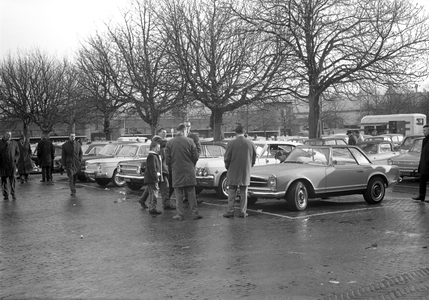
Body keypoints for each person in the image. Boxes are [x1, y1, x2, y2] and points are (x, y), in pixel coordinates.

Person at [165, 123, 201, 220]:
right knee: (191, 194)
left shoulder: (170, 143)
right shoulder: (190, 141)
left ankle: (180, 214)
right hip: (189, 170)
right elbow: (195, 156)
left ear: (177, 130)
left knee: (179, 194)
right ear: (184, 130)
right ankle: (195, 213)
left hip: (177, 171)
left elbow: (167, 159)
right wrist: (191, 164)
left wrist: (172, 167)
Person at [223, 125, 256, 218]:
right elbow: (254, 158)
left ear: (235, 132)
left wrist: (227, 167)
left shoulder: (231, 143)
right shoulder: (250, 143)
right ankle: (243, 211)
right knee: (244, 191)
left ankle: (230, 210)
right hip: (245, 170)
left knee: (232, 191)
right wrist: (250, 166)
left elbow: (227, 157)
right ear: (244, 132)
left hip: (233, 169)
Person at [139, 133, 175, 210]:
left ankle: (143, 200)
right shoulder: (161, 149)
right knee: (165, 187)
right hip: (162, 171)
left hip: (159, 171)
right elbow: (163, 160)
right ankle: (165, 204)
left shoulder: (157, 149)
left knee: (151, 188)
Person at [144, 141, 163, 215]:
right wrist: (156, 178)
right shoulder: (152, 156)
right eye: (157, 148)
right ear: (153, 147)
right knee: (154, 193)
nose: (159, 149)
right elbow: (153, 168)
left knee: (152, 192)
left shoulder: (152, 156)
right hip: (152, 178)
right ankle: (152, 208)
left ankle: (151, 207)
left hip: (150, 178)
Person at [0, 132, 20, 201]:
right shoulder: (0, 143)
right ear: (4, 135)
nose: (9, 136)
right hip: (3, 165)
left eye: (10, 135)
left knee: (13, 179)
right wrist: (5, 145)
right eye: (7, 135)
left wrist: (15, 160)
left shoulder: (14, 143)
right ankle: (5, 195)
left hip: (12, 164)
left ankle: (13, 193)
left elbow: (18, 153)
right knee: (4, 180)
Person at [412, 125, 429, 202]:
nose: (423, 132)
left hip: (427, 164)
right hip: (424, 164)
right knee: (422, 180)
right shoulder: (425, 140)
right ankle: (421, 196)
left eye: (425, 130)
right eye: (423, 130)